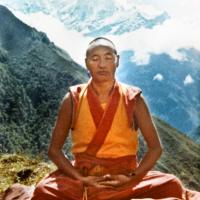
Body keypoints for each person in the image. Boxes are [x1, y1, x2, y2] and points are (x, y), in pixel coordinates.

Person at [31, 37, 199, 200]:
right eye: (95, 59)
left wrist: (132, 178)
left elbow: (155, 148)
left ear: (117, 61)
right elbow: (54, 150)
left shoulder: (134, 99)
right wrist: (80, 178)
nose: (102, 65)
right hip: (85, 177)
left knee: (172, 184)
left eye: (108, 57)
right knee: (44, 191)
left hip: (124, 178)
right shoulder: (73, 99)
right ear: (86, 63)